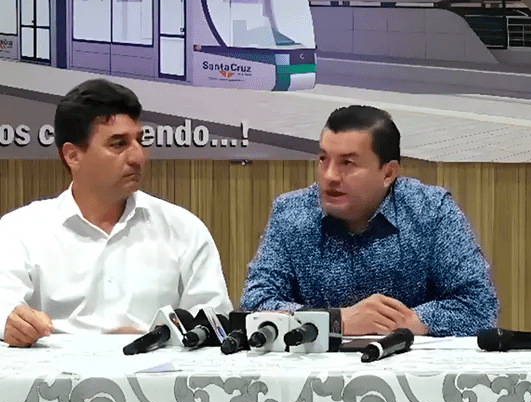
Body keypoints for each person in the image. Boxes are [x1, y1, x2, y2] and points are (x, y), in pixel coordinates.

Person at [0, 78, 232, 347]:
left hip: (157, 369)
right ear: (72, 156)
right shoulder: (20, 230)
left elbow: (214, 324)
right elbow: (4, 305)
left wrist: (153, 340)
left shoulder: (183, 229)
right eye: (118, 144)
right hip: (55, 370)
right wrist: (11, 323)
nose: (138, 157)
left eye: (140, 141)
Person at [240, 105, 498, 337]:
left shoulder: (430, 211)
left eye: (348, 163)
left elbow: (480, 306)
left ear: (388, 173)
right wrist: (337, 321)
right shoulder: (291, 213)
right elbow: (254, 304)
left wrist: (409, 321)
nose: (330, 176)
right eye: (323, 159)